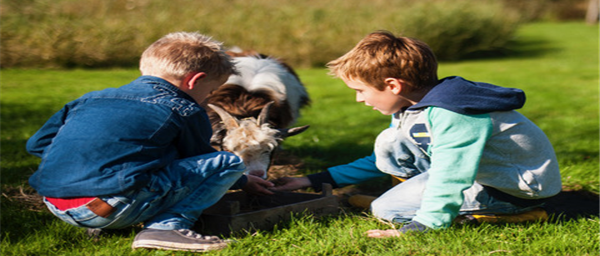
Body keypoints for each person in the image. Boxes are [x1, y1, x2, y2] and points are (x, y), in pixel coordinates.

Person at [273, 30, 561, 237]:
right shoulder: (411, 108)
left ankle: (517, 215)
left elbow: (452, 174)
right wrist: (308, 179)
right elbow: (382, 159)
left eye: (361, 91)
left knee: (387, 210)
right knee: (391, 143)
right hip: (481, 173)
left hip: (515, 190)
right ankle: (409, 200)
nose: (359, 99)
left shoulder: (455, 114)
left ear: (393, 85)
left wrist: (424, 225)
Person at [26, 32, 275, 252]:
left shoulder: (90, 99)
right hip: (114, 207)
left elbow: (37, 144)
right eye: (210, 91)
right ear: (194, 80)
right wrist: (242, 180)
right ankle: (167, 227)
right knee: (228, 161)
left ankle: (108, 219)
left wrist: (88, 164)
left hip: (57, 204)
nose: (206, 98)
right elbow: (202, 163)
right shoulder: (186, 110)